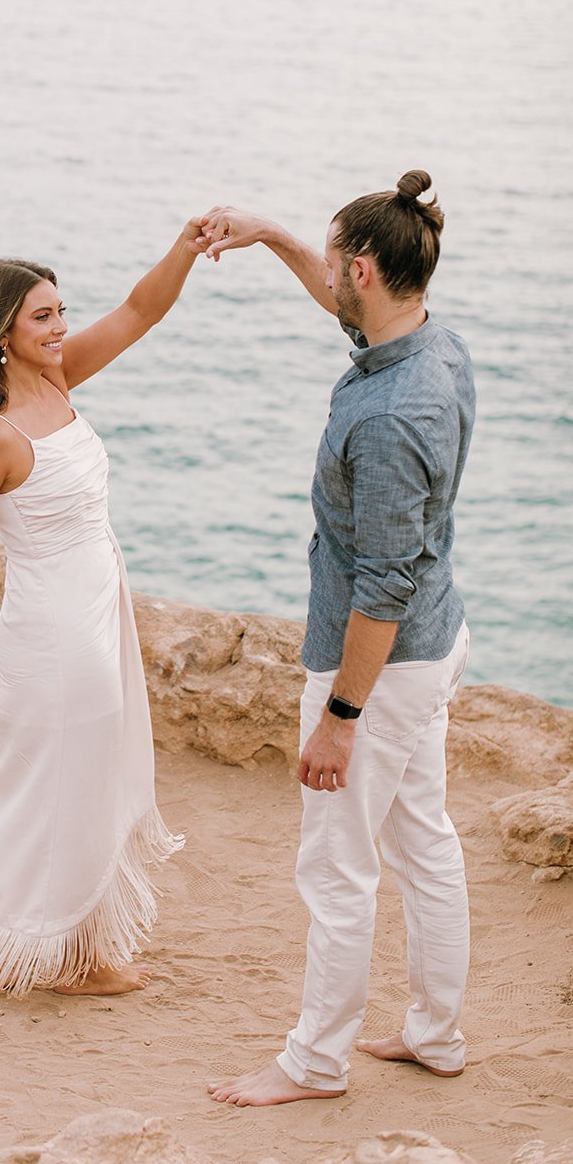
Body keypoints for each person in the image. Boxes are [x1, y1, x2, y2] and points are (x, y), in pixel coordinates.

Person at [203, 170, 474, 1106]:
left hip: (382, 665)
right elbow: (343, 307)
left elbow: (382, 582)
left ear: (361, 268)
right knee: (424, 842)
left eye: (329, 259)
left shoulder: (393, 412)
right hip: (436, 641)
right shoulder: (430, 343)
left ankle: (313, 1063)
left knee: (335, 869)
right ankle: (436, 1035)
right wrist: (269, 233)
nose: (325, 275)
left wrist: (341, 717)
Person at [0, 218, 208, 996]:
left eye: (62, 311)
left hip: (100, 608)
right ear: (3, 332)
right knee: (56, 783)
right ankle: (61, 955)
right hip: (57, 632)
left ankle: (67, 945)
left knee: (84, 777)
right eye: (43, 316)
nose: (61, 327)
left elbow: (138, 312)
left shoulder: (60, 377)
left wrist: (185, 246)